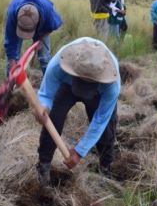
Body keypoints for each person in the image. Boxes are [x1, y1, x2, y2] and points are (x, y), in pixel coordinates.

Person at [34, 37, 120, 186]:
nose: (82, 92)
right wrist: (43, 107)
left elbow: (100, 120)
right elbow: (46, 94)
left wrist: (80, 151)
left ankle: (105, 167)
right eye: (81, 84)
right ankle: (44, 166)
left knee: (107, 129)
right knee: (53, 120)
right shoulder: (58, 65)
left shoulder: (111, 84)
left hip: (98, 92)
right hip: (67, 85)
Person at [4, 0, 63, 75]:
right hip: (18, 5)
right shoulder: (12, 15)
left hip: (42, 24)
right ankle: (11, 85)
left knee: (44, 57)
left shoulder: (48, 13)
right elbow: (10, 44)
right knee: (13, 59)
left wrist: (40, 39)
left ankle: (49, 82)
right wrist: (12, 64)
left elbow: (51, 28)